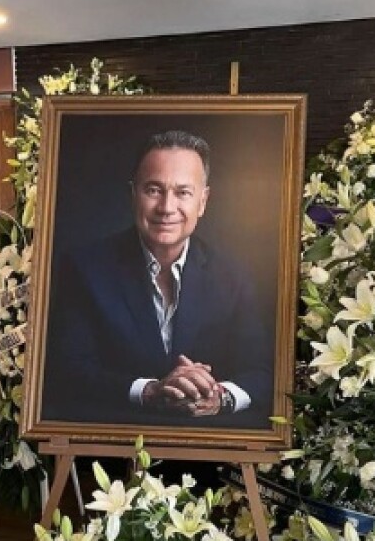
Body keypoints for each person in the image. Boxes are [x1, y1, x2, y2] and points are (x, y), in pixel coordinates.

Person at [42, 130, 272, 427]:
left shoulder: (236, 275)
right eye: (154, 189)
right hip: (112, 454)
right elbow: (69, 370)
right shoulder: (84, 268)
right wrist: (150, 391)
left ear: (202, 202)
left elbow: (262, 371)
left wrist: (219, 397)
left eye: (183, 193)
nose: (166, 207)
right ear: (133, 194)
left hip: (211, 456)